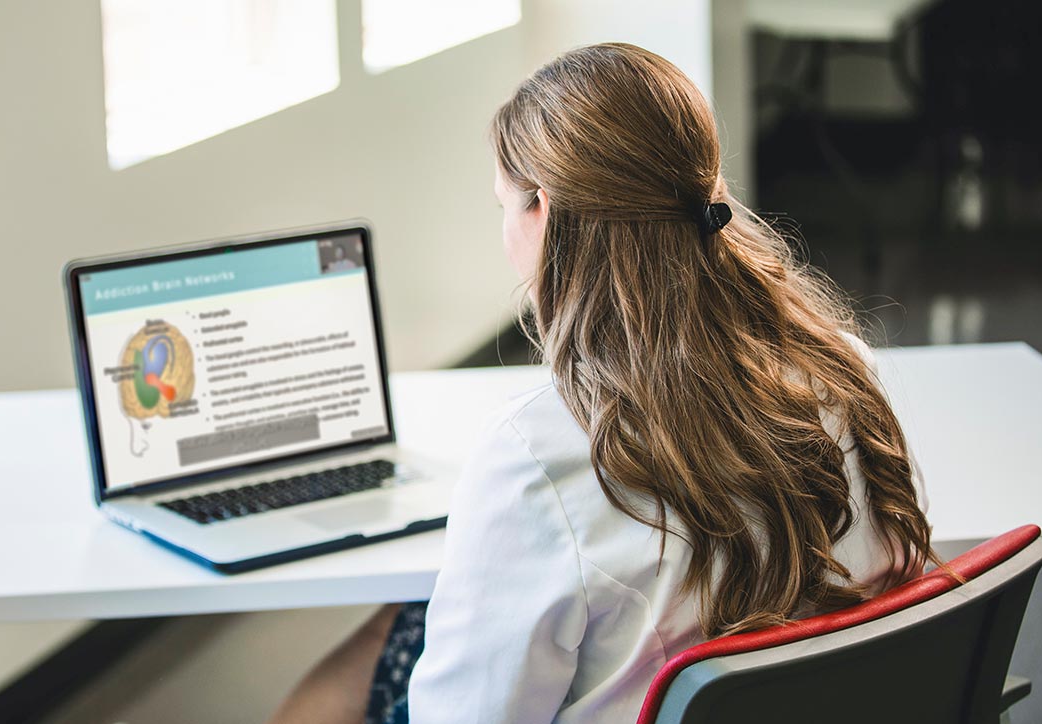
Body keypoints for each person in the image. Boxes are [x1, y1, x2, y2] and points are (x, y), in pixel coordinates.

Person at [268, 42, 934, 724]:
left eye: (504, 204)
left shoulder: (536, 460)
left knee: (355, 668)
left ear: (544, 212)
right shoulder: (842, 367)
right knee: (406, 618)